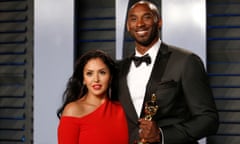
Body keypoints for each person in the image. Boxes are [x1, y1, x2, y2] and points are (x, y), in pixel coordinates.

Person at [115, 1, 219, 144]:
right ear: (128, 26)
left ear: (159, 22)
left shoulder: (186, 61)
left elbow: (208, 119)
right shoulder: (118, 69)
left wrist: (162, 135)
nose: (140, 24)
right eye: (133, 19)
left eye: (147, 17)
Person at [57, 50, 128, 144]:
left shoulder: (123, 109)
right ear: (83, 79)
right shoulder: (73, 110)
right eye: (89, 73)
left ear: (110, 78)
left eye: (102, 72)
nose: (96, 79)